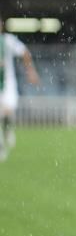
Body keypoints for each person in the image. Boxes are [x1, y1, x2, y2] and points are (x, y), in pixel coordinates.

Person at [0, 16, 40, 161]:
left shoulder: (8, 41)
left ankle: (7, 129)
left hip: (8, 84)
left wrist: (31, 71)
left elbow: (24, 52)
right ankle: (1, 147)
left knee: (7, 111)